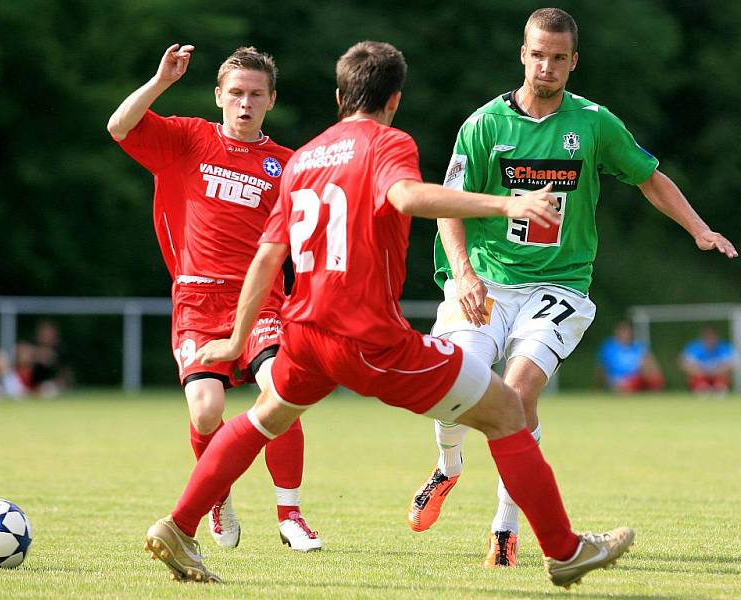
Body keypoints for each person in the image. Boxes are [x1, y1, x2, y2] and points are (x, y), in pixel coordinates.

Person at [143, 40, 635, 589]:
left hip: (304, 333)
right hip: (368, 339)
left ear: (338, 95)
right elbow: (404, 197)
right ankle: (565, 551)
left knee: (263, 418)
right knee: (506, 411)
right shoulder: (387, 141)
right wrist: (507, 203)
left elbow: (267, 256)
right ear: (394, 100)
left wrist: (237, 341)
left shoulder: (304, 157)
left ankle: (179, 525)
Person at [407, 6, 738, 569]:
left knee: (515, 396)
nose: (548, 66)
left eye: (559, 57)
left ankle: (504, 530)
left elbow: (649, 177)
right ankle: (448, 466)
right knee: (455, 394)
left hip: (557, 286)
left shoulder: (593, 124)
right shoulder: (485, 125)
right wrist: (462, 274)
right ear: (523, 55)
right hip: (484, 280)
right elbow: (448, 205)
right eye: (539, 55)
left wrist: (699, 228)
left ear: (573, 62)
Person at [108, 44, 320, 551]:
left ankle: (290, 513)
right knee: (206, 410)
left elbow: (306, 240)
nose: (245, 103)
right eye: (236, 93)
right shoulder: (186, 138)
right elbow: (119, 127)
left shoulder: (287, 166)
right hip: (197, 302)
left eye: (256, 94)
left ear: (271, 100)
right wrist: (160, 81)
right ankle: (217, 494)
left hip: (261, 303)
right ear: (219, 96)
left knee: (281, 390)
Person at [597, 321, 664, 392]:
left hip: (639, 376)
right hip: (620, 379)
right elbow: (602, 368)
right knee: (623, 384)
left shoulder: (638, 347)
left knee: (649, 367)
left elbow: (651, 364)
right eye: (623, 331)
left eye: (627, 331)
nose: (625, 334)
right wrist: (606, 384)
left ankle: (654, 391)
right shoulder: (609, 348)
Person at [680, 327, 736, 394]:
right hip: (700, 376)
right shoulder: (694, 348)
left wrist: (716, 372)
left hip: (718, 376)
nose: (710, 339)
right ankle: (701, 388)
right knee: (698, 380)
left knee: (722, 379)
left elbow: (731, 364)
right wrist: (700, 372)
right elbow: (684, 364)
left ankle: (719, 388)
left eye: (712, 336)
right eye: (707, 337)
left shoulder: (724, 347)